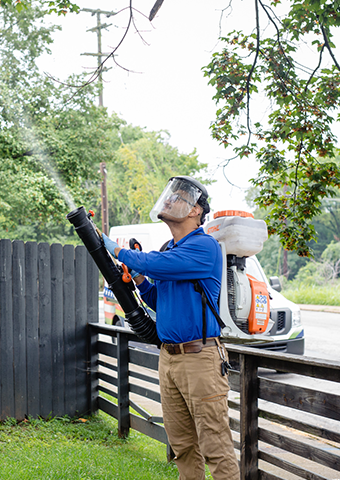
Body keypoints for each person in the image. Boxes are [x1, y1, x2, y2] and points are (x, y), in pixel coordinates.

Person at [101, 176, 239, 480]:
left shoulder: (204, 247)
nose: (169, 201)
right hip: (170, 359)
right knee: (182, 446)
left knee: (215, 445)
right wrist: (139, 280)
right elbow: (158, 300)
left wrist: (119, 252)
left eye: (177, 197)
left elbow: (157, 264)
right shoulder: (168, 249)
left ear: (194, 210)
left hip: (201, 359)